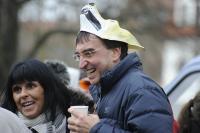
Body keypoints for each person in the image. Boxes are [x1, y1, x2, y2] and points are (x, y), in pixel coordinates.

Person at [67, 3, 176, 133]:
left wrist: (96, 129)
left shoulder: (142, 90)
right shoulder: (108, 89)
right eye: (78, 56)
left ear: (115, 52)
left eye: (89, 53)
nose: (81, 64)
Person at [1, 59, 94, 133]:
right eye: (17, 89)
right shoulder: (3, 125)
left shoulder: (78, 123)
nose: (23, 94)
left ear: (47, 89)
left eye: (30, 86)